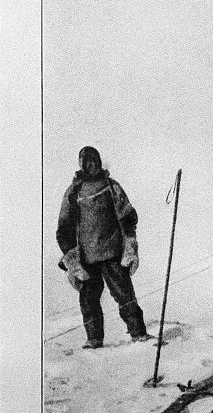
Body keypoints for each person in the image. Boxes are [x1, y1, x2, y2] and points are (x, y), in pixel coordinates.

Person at [56, 146, 152, 348]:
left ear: (99, 161)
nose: (92, 165)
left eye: (95, 160)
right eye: (88, 161)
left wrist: (130, 243)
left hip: (112, 252)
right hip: (86, 258)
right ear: (82, 164)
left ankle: (138, 333)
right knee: (88, 300)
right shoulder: (74, 191)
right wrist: (71, 258)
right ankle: (94, 339)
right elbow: (64, 227)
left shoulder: (111, 185)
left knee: (125, 294)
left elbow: (128, 216)